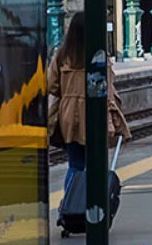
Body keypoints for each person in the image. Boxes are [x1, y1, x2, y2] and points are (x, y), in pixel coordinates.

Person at [47, 12, 131, 192]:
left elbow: (52, 86)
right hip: (93, 114)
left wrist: (69, 91)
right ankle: (92, 206)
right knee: (96, 164)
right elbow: (105, 90)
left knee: (75, 163)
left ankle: (70, 204)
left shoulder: (61, 56)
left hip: (68, 115)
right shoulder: (98, 56)